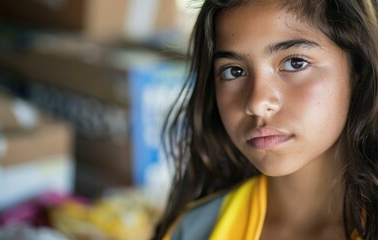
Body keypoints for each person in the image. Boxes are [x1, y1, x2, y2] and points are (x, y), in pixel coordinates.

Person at [152, 0, 378, 239]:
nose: (256, 103)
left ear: (358, 72)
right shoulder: (193, 231)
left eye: (295, 63)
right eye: (234, 71)